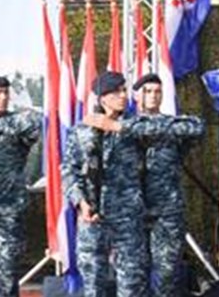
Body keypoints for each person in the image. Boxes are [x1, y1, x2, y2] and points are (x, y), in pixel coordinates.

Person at [63, 71, 156, 297]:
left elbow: (160, 130)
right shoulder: (81, 131)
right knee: (93, 283)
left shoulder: (135, 126)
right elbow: (69, 170)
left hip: (128, 216)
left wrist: (114, 126)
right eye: (116, 92)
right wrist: (81, 202)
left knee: (132, 283)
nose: (123, 95)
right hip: (93, 217)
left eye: (124, 90)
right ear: (102, 98)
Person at [130, 73, 204, 295]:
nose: (153, 96)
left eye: (157, 92)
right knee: (133, 275)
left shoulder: (172, 125)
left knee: (167, 273)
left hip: (166, 210)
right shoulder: (123, 126)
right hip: (132, 210)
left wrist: (152, 127)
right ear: (136, 95)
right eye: (147, 91)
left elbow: (197, 127)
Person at [0, 76, 43, 297]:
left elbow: (39, 122)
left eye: (6, 92)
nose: (3, 97)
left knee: (8, 269)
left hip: (9, 207)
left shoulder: (16, 123)